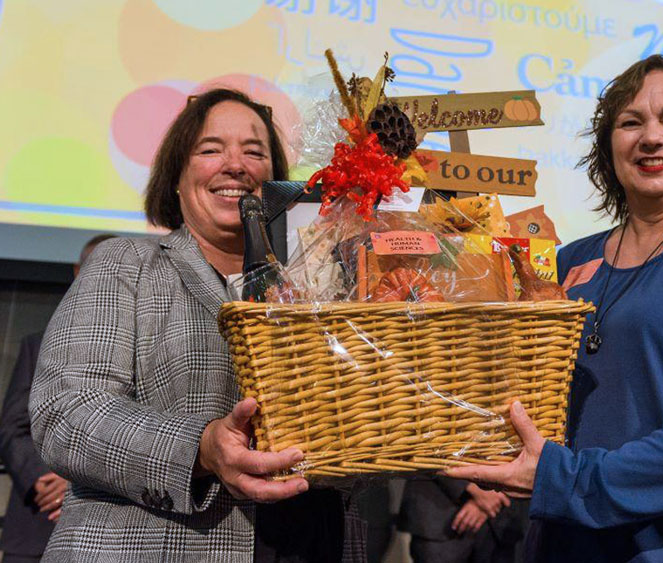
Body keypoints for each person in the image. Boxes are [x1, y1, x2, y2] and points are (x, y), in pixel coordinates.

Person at [447, 54, 663, 561]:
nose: (651, 136)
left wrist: (574, 482)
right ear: (608, 146)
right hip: (571, 544)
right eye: (630, 122)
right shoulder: (569, 260)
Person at [29, 88, 365, 562]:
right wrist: (201, 448)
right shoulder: (127, 265)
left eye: (255, 151)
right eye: (211, 150)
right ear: (177, 179)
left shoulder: (322, 283)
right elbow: (65, 412)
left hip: (313, 540)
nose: (236, 165)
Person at [0, 234, 114, 563]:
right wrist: (44, 480)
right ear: (77, 272)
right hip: (39, 520)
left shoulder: (150, 350)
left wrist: (77, 482)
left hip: (106, 530)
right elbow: (12, 428)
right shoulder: (38, 343)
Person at [398, 476, 529, 563]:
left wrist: (497, 491)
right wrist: (475, 489)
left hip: (508, 515)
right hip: (439, 511)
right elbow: (423, 441)